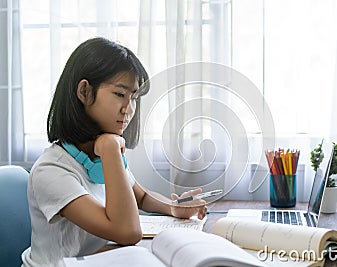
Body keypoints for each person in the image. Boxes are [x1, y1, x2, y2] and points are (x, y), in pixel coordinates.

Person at [21, 37, 207, 267]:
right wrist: (110, 150)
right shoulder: (51, 171)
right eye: (120, 94)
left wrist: (174, 208)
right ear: (84, 92)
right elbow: (127, 232)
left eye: (134, 98)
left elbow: (141, 197)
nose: (128, 109)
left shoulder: (97, 152)